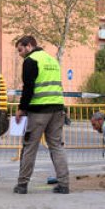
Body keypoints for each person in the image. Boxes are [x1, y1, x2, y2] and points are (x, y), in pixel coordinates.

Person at [13, 35, 69, 194]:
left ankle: (22, 185)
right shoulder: (52, 60)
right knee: (56, 146)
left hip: (38, 110)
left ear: (29, 46)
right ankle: (64, 184)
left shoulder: (31, 60)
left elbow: (28, 88)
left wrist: (21, 108)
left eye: (20, 50)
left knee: (30, 146)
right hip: (57, 109)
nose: (20, 54)